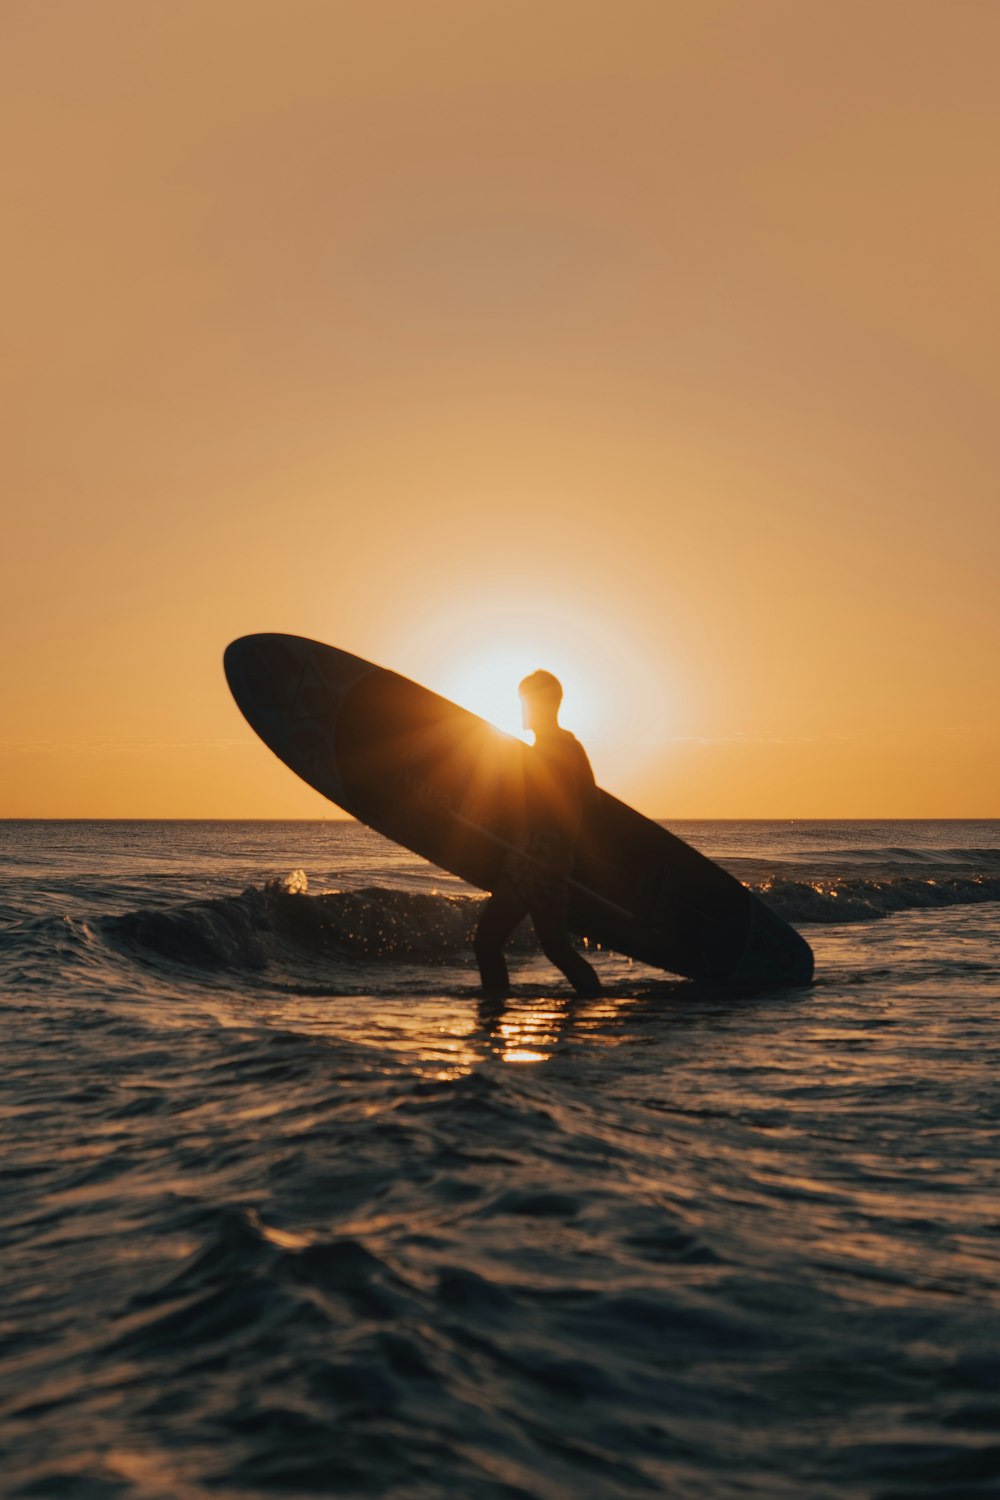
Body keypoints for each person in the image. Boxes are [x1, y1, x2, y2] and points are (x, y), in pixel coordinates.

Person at [474, 670, 602, 1000]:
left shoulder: (551, 750)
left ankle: (494, 1015)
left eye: (525, 703)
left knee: (487, 942)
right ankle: (593, 1001)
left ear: (542, 705)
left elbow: (563, 803)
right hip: (550, 856)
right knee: (555, 947)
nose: (522, 710)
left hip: (534, 856)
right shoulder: (569, 745)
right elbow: (592, 799)